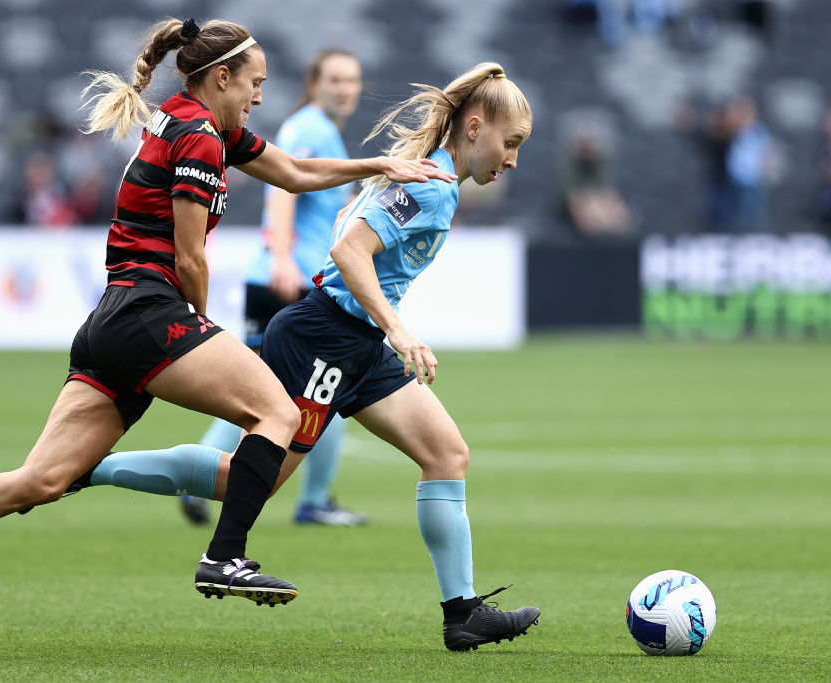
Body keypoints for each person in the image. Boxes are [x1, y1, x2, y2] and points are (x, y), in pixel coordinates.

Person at [0, 17, 454, 606]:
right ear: (222, 78)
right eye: (256, 84)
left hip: (109, 323)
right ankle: (225, 558)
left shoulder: (189, 122)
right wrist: (201, 324)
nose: (260, 97)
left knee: (38, 482)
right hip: (150, 312)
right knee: (278, 411)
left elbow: (289, 171)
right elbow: (189, 258)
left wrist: (377, 163)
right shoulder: (199, 140)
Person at [81, 61, 541, 651]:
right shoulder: (429, 186)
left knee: (447, 453)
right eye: (511, 143)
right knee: (247, 480)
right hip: (322, 336)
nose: (513, 159)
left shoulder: (437, 182)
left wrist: (384, 331)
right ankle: (88, 469)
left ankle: (463, 613)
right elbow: (349, 251)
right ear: (474, 128)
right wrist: (398, 329)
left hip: (358, 345)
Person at [181, 48, 368, 528]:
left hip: (280, 277)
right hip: (291, 280)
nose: (345, 89)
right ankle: (311, 500)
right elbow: (286, 187)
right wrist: (284, 257)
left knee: (267, 390)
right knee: (321, 390)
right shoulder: (312, 128)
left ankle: (197, 471)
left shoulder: (313, 128)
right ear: (314, 83)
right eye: (335, 80)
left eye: (352, 80)